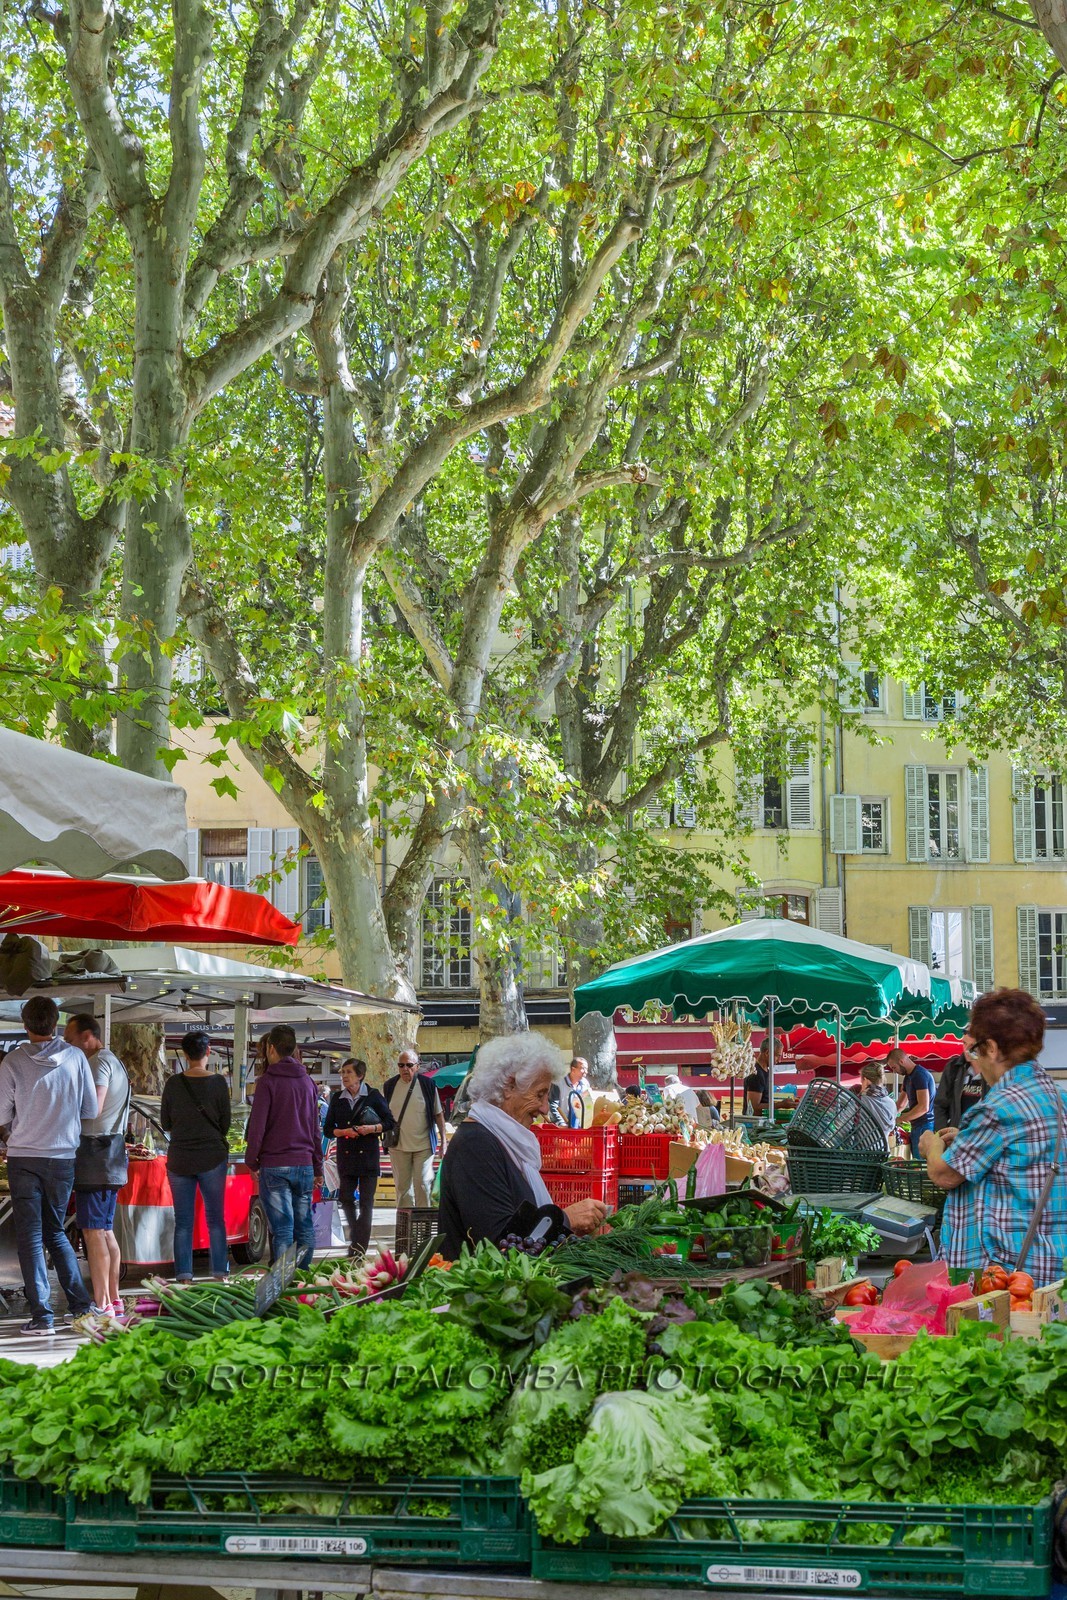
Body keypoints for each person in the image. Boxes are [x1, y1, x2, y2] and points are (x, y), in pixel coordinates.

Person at [920, 988, 1067, 1284]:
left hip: (1003, 1273)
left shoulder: (998, 1108)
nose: (976, 1060)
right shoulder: (1056, 1097)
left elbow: (944, 1174)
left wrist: (931, 1146)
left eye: (976, 1050)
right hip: (1048, 1263)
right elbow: (1020, 1154)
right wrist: (966, 1137)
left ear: (993, 1048)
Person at [438, 1033, 610, 1257]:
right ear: (508, 1086)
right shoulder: (475, 1145)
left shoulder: (500, 1140)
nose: (545, 1109)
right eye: (540, 1095)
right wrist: (566, 1219)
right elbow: (500, 1247)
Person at [0, 997, 95, 1334]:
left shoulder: (12, 1062)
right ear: (55, 1023)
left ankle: (43, 1317)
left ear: (26, 1025)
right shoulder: (76, 1058)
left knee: (30, 1236)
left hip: (23, 1157)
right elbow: (90, 1110)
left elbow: (1, 1114)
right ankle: (81, 1308)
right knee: (56, 1232)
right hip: (62, 1158)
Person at [64, 1014, 130, 1319]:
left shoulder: (98, 1063)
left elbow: (95, 1106)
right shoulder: (114, 1060)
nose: (68, 1045)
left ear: (88, 1036)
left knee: (93, 1232)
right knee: (104, 1230)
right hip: (112, 1155)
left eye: (70, 1039)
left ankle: (102, 1303)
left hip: (95, 1155)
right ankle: (114, 1299)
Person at [244, 1023, 323, 1266]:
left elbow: (257, 1127)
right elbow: (315, 1130)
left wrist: (251, 1159)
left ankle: (283, 1283)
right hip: (304, 1164)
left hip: (275, 1165)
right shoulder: (308, 1083)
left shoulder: (267, 1082)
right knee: (304, 1227)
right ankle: (304, 1278)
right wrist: (318, 1166)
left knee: (283, 1229)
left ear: (270, 1048)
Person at [160, 1030, 232, 1282]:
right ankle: (220, 1274)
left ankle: (184, 1275)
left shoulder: (172, 1083)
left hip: (179, 1159)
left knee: (183, 1222)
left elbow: (165, 1123)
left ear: (184, 1053)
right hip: (212, 1157)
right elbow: (225, 1125)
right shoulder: (219, 1083)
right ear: (208, 1051)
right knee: (215, 1219)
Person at [323, 1058, 395, 1255]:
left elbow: (390, 1122)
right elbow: (328, 1129)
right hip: (346, 1155)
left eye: (349, 1072)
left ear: (360, 1076)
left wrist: (371, 1128)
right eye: (343, 1072)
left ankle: (359, 1246)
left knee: (366, 1202)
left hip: (368, 1156)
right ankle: (357, 1235)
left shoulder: (372, 1096)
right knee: (346, 1198)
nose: (344, 1076)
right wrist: (344, 1131)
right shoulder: (337, 1098)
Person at [383, 1049, 447, 1209]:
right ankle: (406, 1229)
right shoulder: (389, 1086)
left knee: (423, 1186)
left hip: (423, 1146)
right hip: (398, 1146)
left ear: (417, 1066)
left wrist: (443, 1142)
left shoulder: (428, 1085)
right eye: (401, 1065)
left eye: (409, 1065)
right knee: (403, 1191)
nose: (405, 1069)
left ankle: (423, 1230)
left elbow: (438, 1115)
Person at [934, 1034, 987, 1131]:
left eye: (972, 1045)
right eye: (964, 1043)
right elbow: (940, 1104)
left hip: (983, 1136)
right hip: (956, 1135)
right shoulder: (954, 1067)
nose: (967, 1049)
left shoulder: (995, 1070)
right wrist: (942, 1133)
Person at [890, 1047, 935, 1157]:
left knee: (921, 1165)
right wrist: (888, 1116)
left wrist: (900, 1118)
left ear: (901, 1061)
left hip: (925, 1126)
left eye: (894, 1067)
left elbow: (923, 1107)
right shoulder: (908, 1078)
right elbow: (900, 1105)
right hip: (916, 1126)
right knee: (916, 1163)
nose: (894, 1071)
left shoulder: (919, 1075)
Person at [858, 1061, 898, 1149]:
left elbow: (843, 1127)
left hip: (861, 1154)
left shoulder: (858, 1101)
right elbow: (891, 1128)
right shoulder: (891, 1103)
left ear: (865, 1080)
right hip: (883, 1151)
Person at [548, 1056, 592, 1127]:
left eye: (586, 1069)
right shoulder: (558, 1083)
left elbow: (587, 1105)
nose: (586, 1072)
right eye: (583, 1069)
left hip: (580, 1126)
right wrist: (560, 1123)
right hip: (563, 1127)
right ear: (573, 1069)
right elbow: (553, 1105)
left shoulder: (585, 1084)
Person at [744, 1040, 770, 1116]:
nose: (779, 1060)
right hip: (754, 1124)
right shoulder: (756, 1074)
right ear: (767, 1053)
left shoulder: (765, 1071)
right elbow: (753, 1107)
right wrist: (781, 1105)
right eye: (777, 1056)